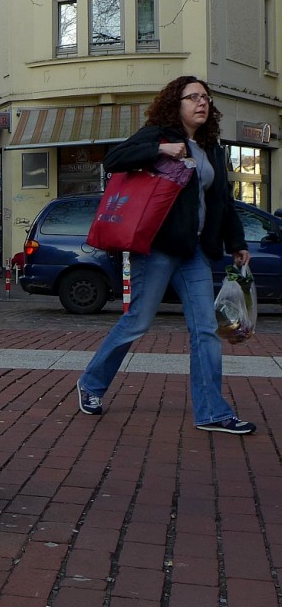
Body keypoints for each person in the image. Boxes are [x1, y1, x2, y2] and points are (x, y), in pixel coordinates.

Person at [77, 76, 255, 435]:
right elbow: (113, 159)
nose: (201, 102)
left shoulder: (211, 150)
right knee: (138, 322)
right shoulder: (158, 135)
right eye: (193, 97)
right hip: (157, 248)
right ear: (176, 104)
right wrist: (159, 150)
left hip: (195, 253)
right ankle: (91, 384)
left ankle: (210, 412)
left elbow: (222, 201)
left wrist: (237, 242)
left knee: (206, 329)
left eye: (205, 97)